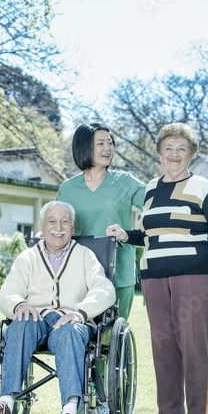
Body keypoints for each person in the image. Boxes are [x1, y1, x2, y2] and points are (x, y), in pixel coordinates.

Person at [106, 122, 208, 414]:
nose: (174, 154)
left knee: (193, 342)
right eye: (169, 149)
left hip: (193, 273)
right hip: (153, 276)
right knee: (163, 343)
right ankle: (169, 413)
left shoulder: (201, 186)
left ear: (190, 154)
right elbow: (153, 233)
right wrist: (128, 234)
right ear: (159, 153)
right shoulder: (151, 189)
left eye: (181, 149)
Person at [0, 201, 115, 414]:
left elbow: (105, 290)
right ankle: (5, 405)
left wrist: (80, 313)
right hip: (35, 323)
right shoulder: (28, 258)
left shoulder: (85, 255)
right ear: (41, 226)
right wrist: (20, 304)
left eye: (65, 221)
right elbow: (7, 293)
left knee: (69, 330)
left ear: (73, 225)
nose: (59, 227)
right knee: (20, 322)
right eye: (52, 221)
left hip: (70, 323)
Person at [56, 122, 146, 321]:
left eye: (110, 143)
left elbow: (156, 204)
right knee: (83, 331)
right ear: (84, 147)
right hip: (81, 273)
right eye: (101, 144)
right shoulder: (68, 188)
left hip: (120, 271)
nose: (108, 148)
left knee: (114, 332)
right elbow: (56, 226)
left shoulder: (125, 181)